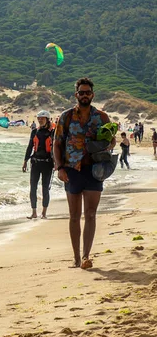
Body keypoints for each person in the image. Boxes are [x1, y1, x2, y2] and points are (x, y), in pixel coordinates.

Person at [53, 77, 115, 270]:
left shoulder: (102, 117)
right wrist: (59, 168)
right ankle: (76, 258)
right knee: (74, 216)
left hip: (94, 170)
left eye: (88, 92)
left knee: (90, 214)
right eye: (82, 92)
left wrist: (108, 147)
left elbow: (111, 142)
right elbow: (57, 143)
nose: (85, 95)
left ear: (92, 95)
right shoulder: (66, 116)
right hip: (71, 170)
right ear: (76, 94)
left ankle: (86, 256)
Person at [22, 110, 54, 219]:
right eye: (38, 118)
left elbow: (57, 148)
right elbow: (30, 146)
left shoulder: (53, 132)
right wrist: (25, 161)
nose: (40, 120)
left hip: (48, 164)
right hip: (35, 163)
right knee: (33, 188)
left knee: (45, 189)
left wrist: (58, 163)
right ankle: (34, 212)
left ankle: (44, 213)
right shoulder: (34, 131)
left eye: (42, 118)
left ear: (47, 119)